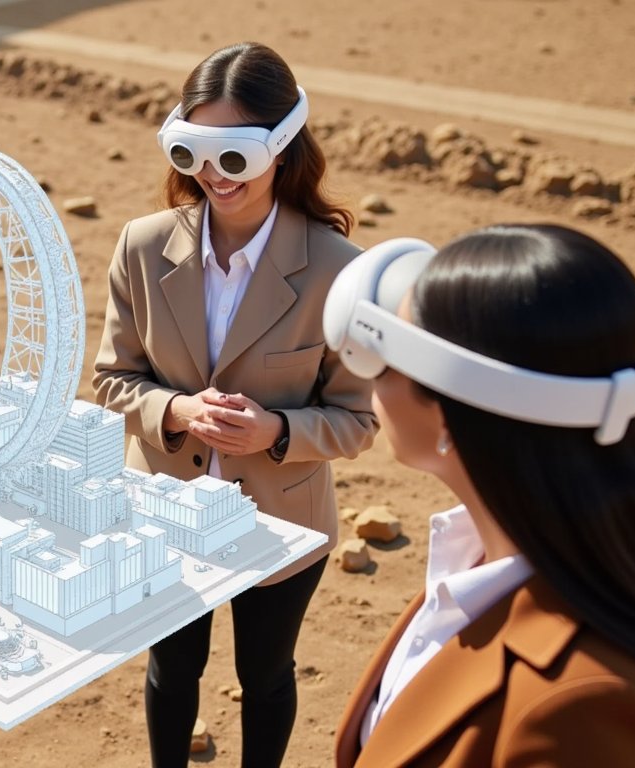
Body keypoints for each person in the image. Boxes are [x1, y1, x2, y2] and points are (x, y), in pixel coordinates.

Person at [92, 42, 379, 768]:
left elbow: (358, 417)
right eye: (193, 153)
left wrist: (277, 430)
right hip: (162, 511)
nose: (212, 178)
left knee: (266, 675)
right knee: (171, 670)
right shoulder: (141, 245)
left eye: (234, 157)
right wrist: (178, 413)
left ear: (281, 148)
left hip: (281, 525)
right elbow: (112, 379)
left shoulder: (339, 272)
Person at [326, 225, 635, 766]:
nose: (370, 382)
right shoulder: (481, 557)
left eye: (384, 358)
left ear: (447, 412)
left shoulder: (587, 709)